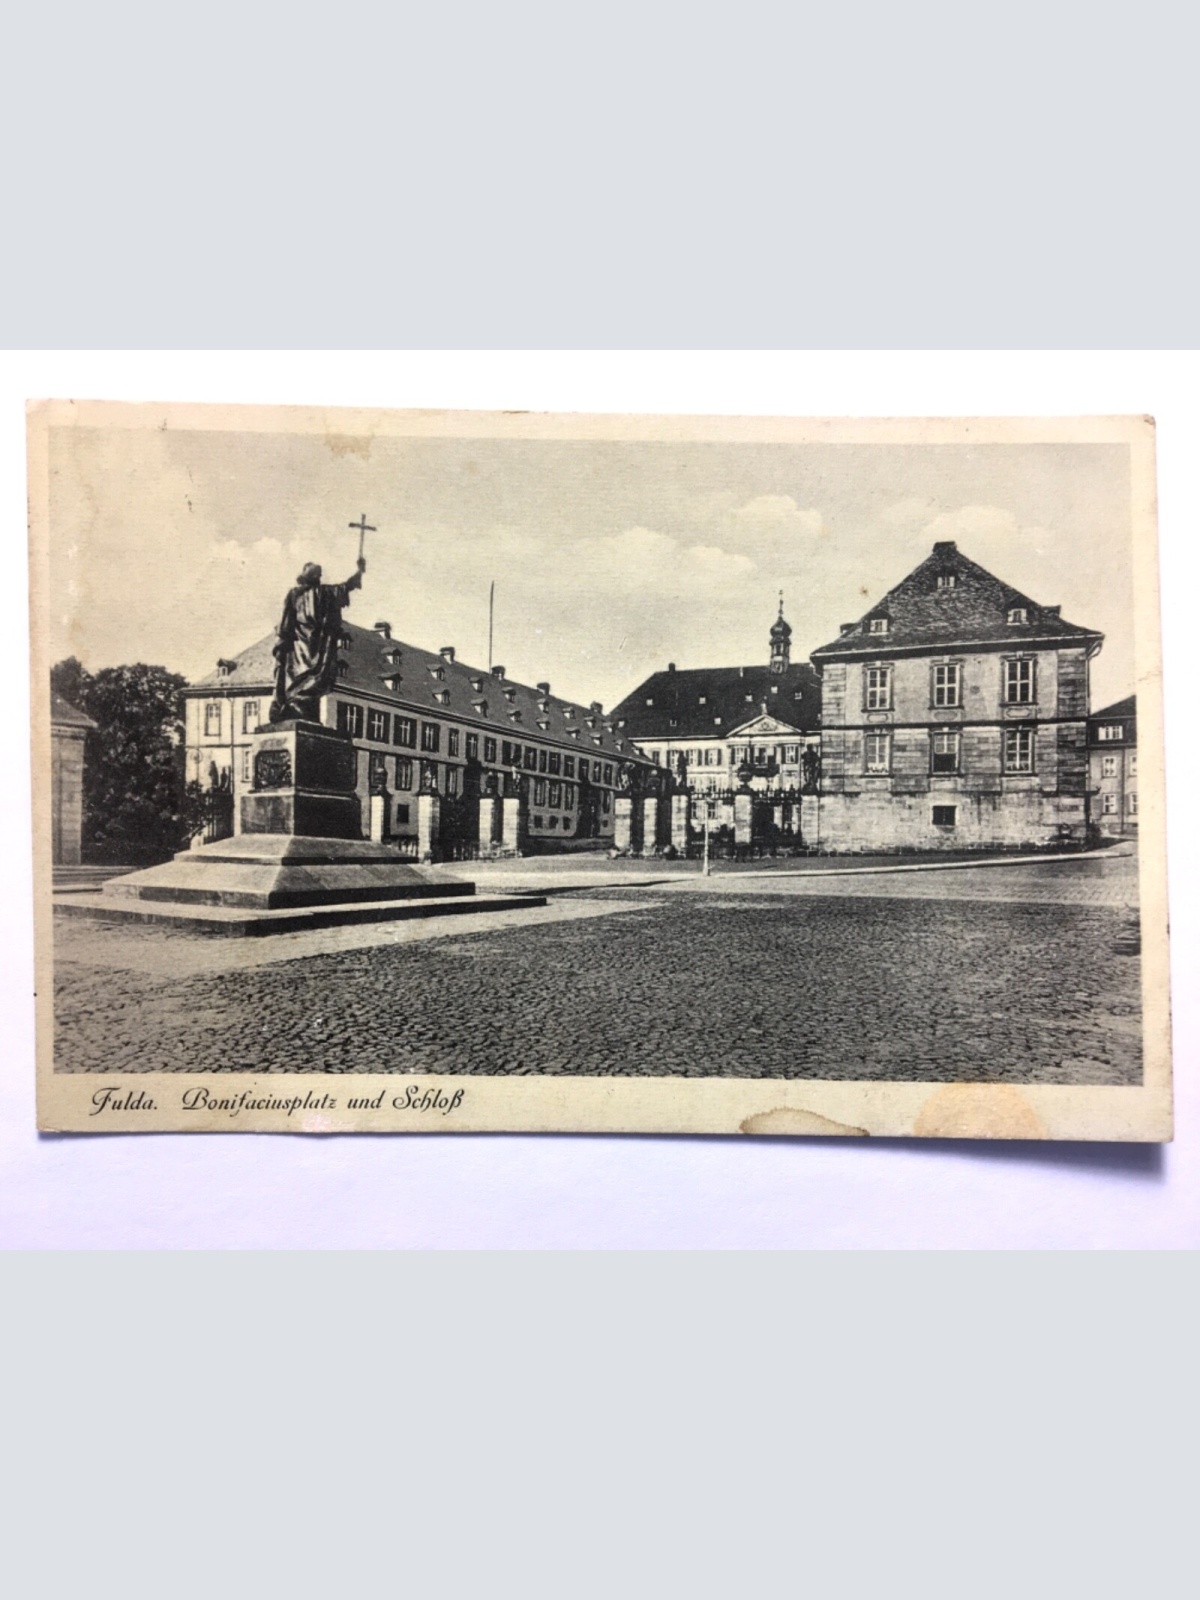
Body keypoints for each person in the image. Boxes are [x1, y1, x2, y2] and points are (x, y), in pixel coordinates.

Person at [269, 558, 365, 723]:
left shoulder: (320, 593)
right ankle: (295, 704)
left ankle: (299, 705)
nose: (318, 578)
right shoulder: (303, 594)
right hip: (304, 646)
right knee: (305, 675)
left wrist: (359, 572)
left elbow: (346, 586)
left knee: (311, 677)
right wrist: (359, 572)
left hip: (310, 646)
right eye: (316, 575)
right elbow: (345, 587)